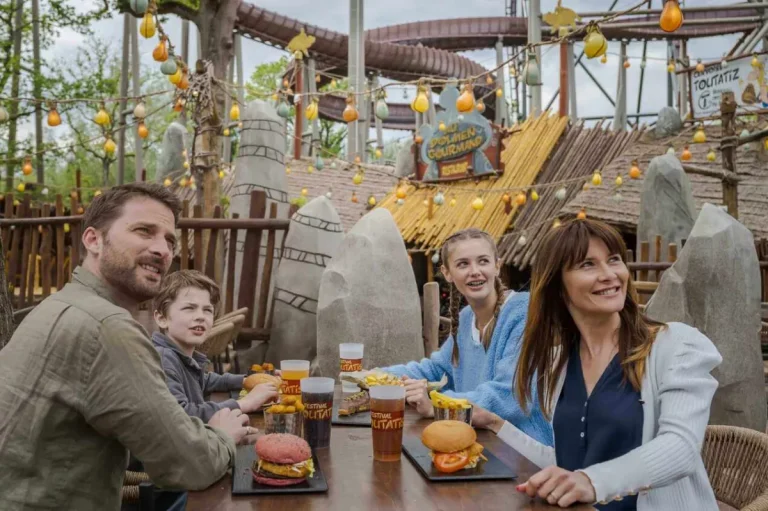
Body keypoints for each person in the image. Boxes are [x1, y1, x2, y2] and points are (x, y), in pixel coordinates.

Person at [0, 183, 258, 511]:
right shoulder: (105, 326)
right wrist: (224, 433)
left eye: (169, 240)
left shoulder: (60, 304)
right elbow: (191, 464)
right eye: (143, 231)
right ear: (93, 240)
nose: (163, 250)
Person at [472, 219, 721, 510]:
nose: (609, 275)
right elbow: (569, 465)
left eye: (613, 260)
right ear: (558, 286)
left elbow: (681, 449)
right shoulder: (560, 363)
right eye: (587, 265)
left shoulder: (676, 346)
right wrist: (495, 424)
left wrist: (591, 481)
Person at [382, 228, 552, 446]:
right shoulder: (465, 319)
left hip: (523, 450)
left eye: (483, 261)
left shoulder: (523, 313)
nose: (475, 271)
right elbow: (435, 371)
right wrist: (374, 377)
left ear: (497, 265)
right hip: (477, 441)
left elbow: (510, 395)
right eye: (463, 264)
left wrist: (436, 405)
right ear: (447, 273)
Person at [152, 269, 278, 421]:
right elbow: (182, 415)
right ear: (162, 318)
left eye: (207, 310)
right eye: (189, 308)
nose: (200, 316)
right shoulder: (163, 358)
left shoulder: (181, 356)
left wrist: (247, 380)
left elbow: (204, 380)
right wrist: (244, 403)